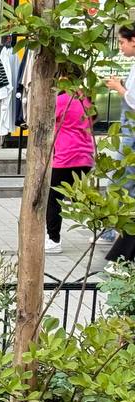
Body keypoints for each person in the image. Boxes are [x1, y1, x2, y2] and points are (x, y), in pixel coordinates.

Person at [46, 72, 93, 255]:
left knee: (54, 199)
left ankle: (53, 239)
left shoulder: (61, 100)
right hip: (85, 156)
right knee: (82, 198)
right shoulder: (86, 99)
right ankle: (106, 230)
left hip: (65, 157)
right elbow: (92, 120)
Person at [102, 26, 135, 243]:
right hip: (128, 130)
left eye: (122, 42)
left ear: (133, 40)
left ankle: (113, 231)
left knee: (120, 180)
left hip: (131, 133)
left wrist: (118, 88)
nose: (120, 47)